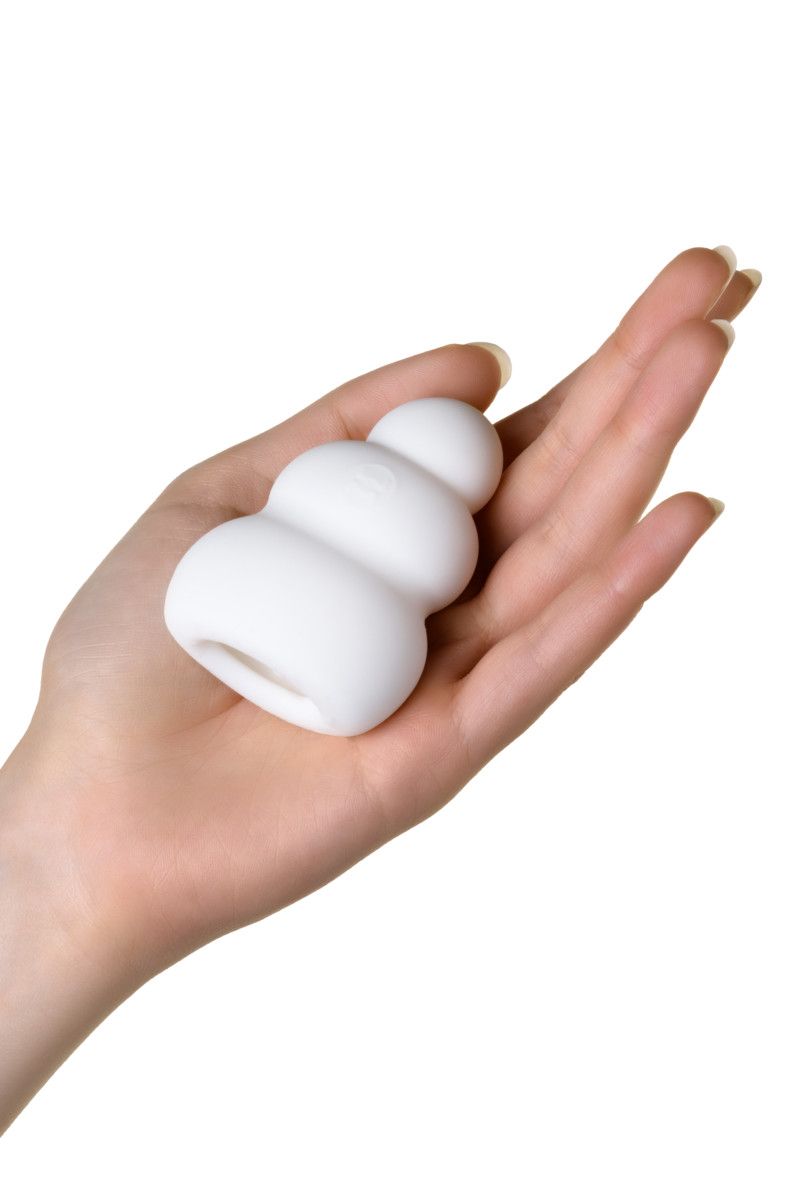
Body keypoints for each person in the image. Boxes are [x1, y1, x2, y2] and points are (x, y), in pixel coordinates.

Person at [0, 245, 761, 1133]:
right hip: (319, 648)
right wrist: (65, 865)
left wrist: (69, 873)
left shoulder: (329, 571)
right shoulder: (347, 575)